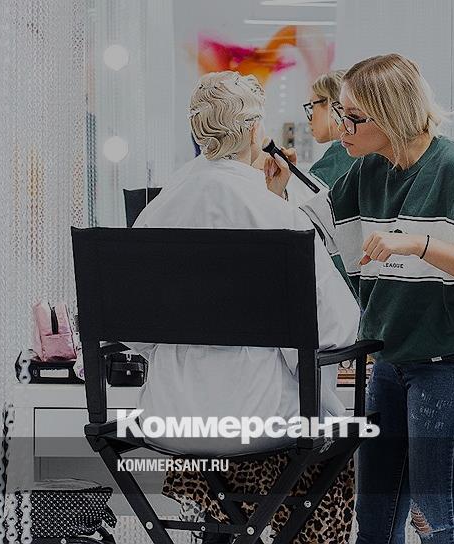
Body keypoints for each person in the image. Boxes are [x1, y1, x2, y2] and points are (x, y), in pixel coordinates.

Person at [264, 54, 454, 544]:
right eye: (339, 113)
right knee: (375, 525)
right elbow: (312, 239)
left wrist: (420, 245)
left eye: (352, 117)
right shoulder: (367, 172)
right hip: (390, 365)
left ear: (391, 115)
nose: (341, 127)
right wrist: (278, 194)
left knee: (436, 523)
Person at [131, 70, 359, 544]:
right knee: (329, 438)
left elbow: (132, 333)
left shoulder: (155, 214)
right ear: (256, 131)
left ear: (197, 132)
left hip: (170, 419)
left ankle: (221, 527)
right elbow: (336, 329)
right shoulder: (279, 217)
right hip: (259, 421)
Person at [303, 69, 356, 285]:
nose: (309, 119)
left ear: (334, 105)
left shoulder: (342, 155)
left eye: (312, 107)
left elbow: (304, 210)